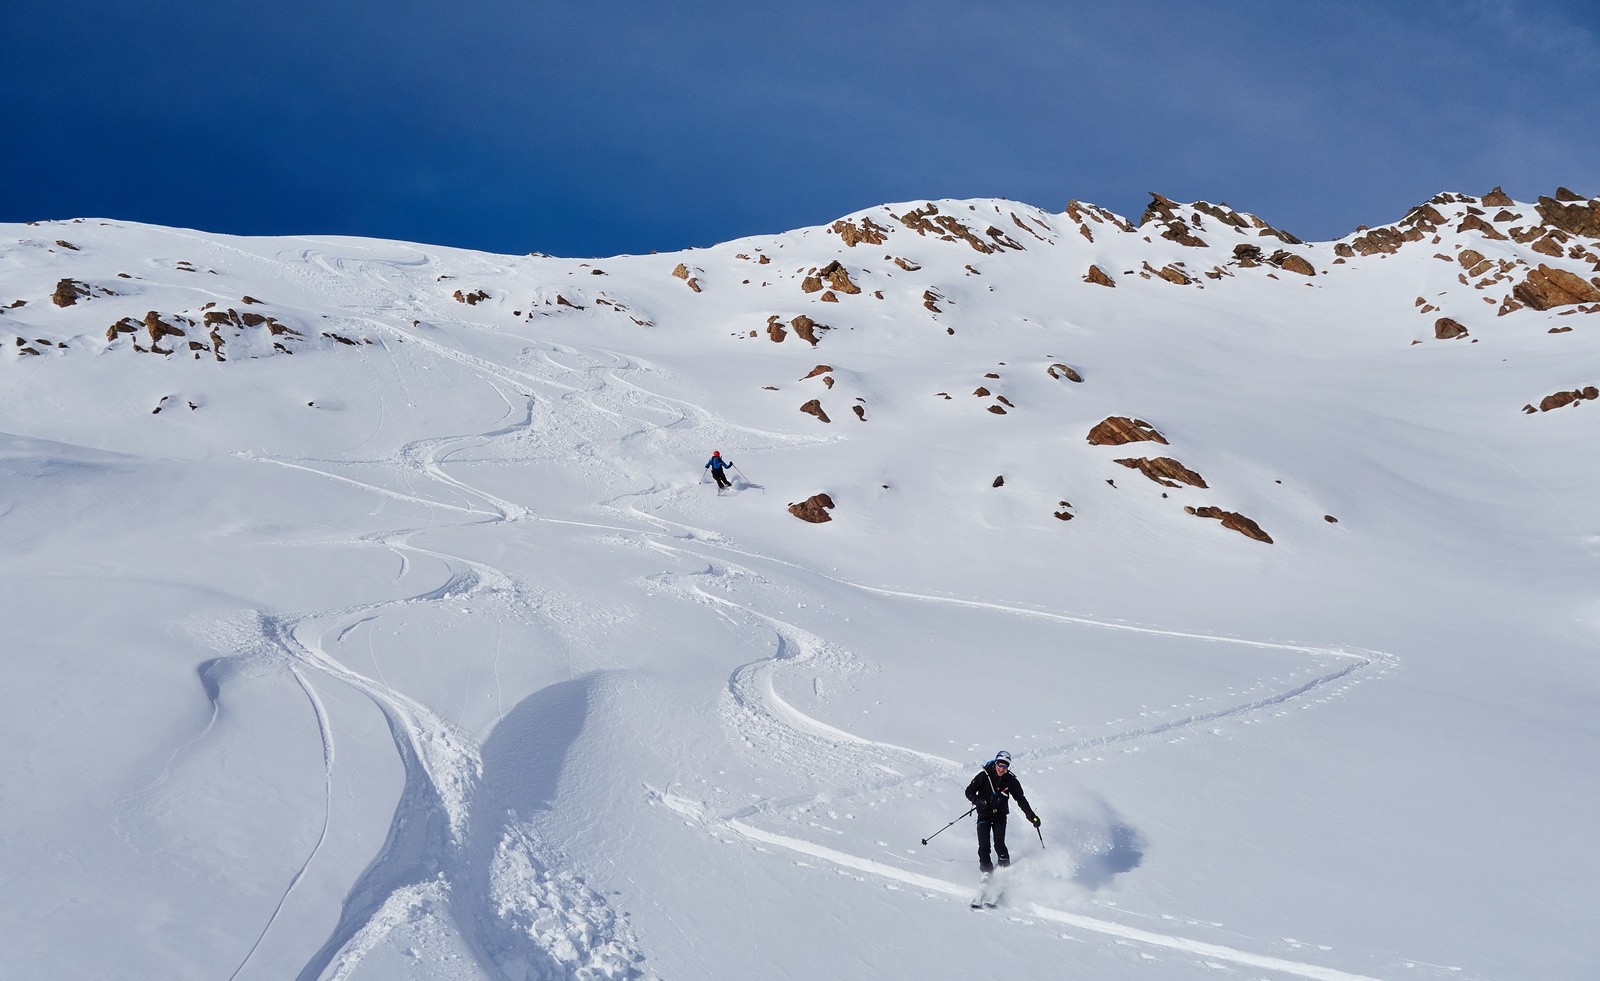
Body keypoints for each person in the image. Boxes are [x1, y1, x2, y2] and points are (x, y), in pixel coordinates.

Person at [964, 750, 1040, 872]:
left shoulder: (1010, 780)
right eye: (1000, 765)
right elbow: (969, 791)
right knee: (984, 847)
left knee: (999, 845)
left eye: (1005, 766)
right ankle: (986, 873)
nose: (1002, 769)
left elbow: (1021, 799)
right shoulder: (984, 776)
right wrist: (977, 800)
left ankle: (1005, 871)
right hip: (984, 815)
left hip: (1000, 816)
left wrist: (1032, 816)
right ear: (996, 763)